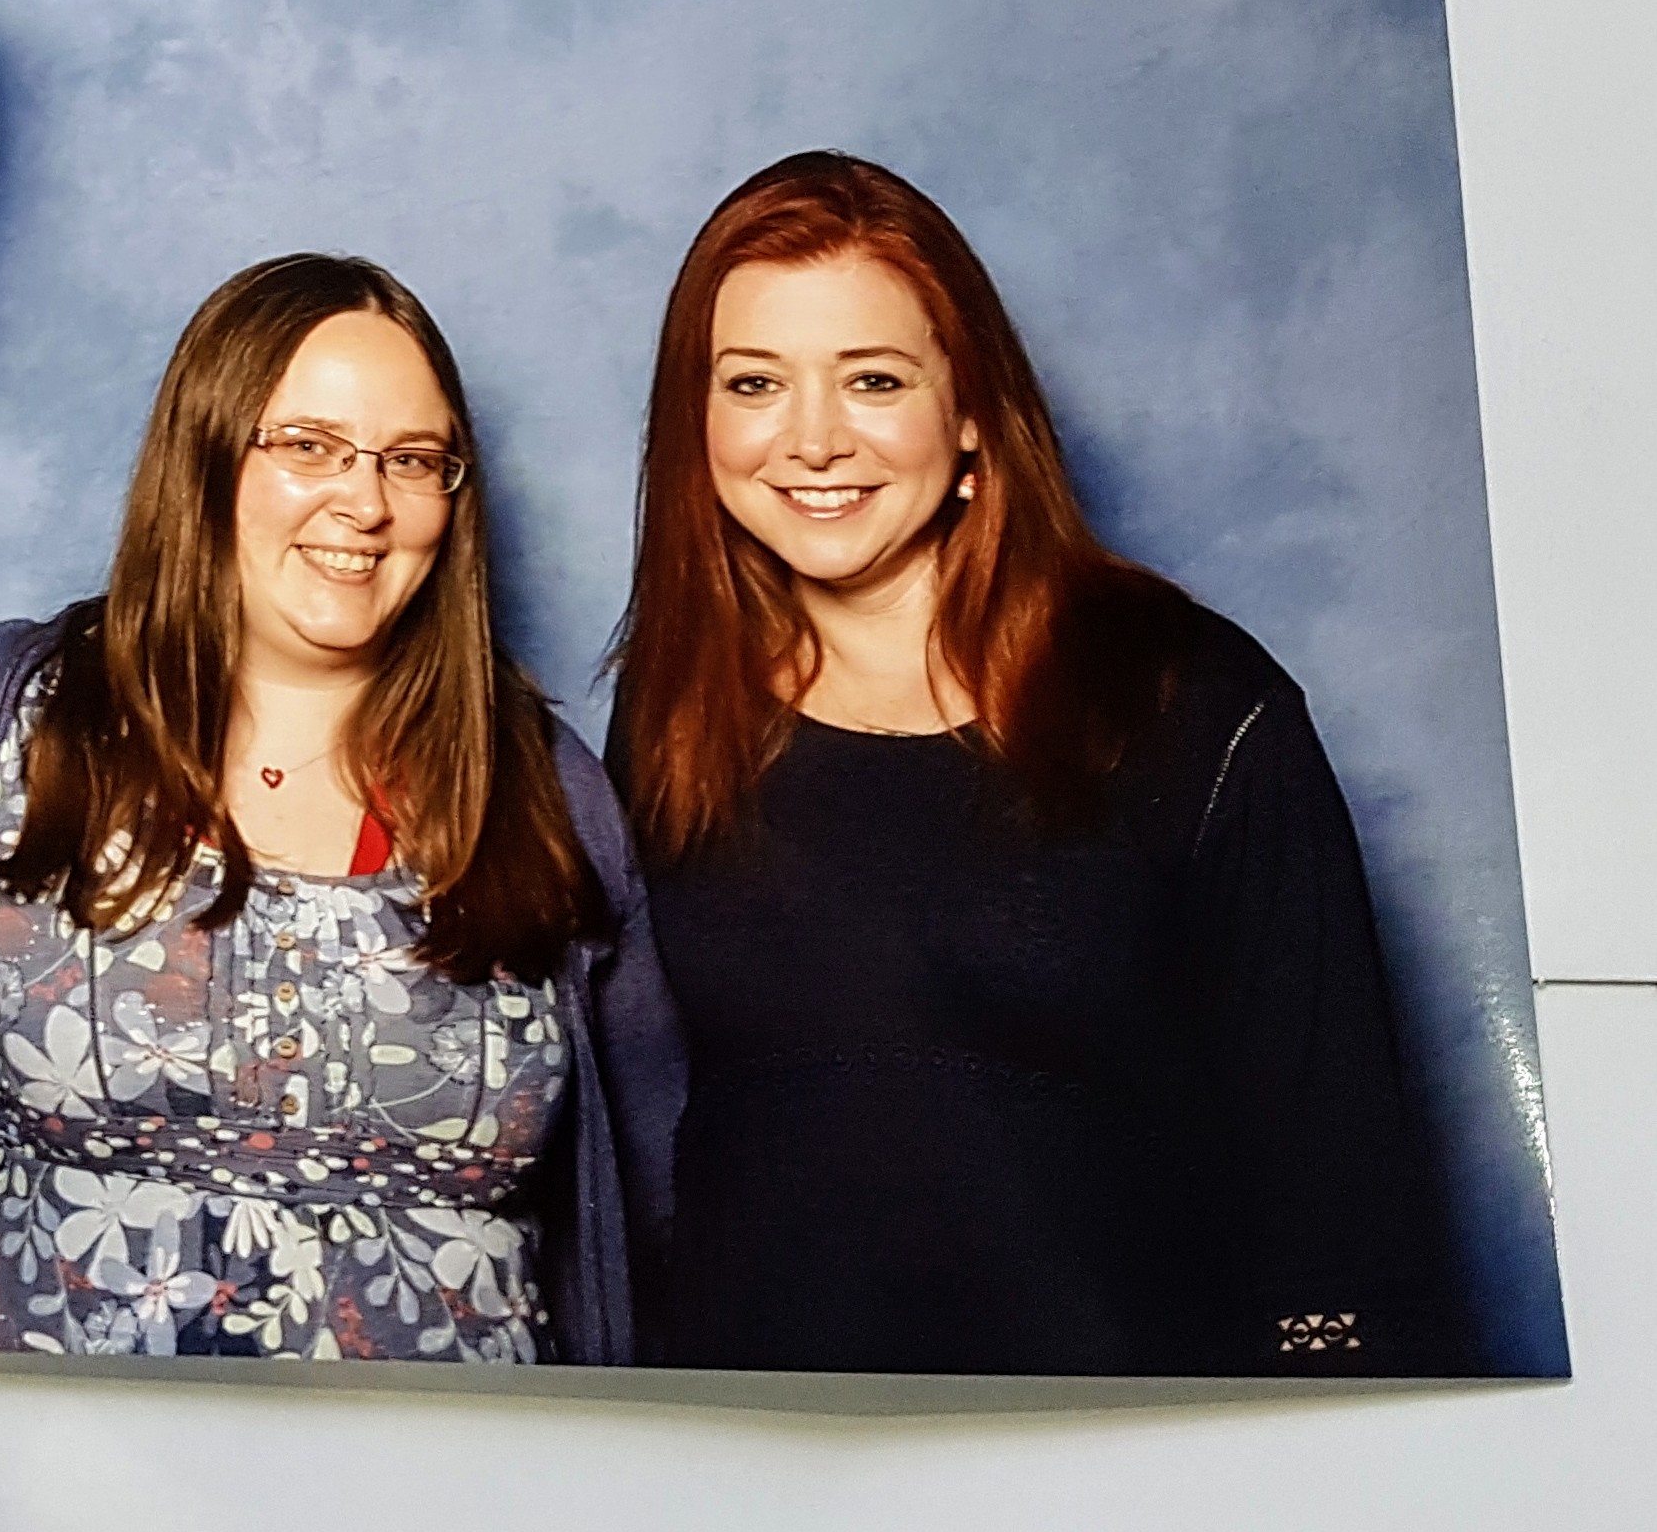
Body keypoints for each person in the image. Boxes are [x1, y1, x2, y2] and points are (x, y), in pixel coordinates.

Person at [611, 150, 1449, 1375]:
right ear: (697, 421)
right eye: (753, 382)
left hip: (1117, 1437)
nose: (812, 439)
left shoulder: (1186, 700)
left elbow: (1336, 1164)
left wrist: (1322, 1437)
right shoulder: (677, 714)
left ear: (970, 411)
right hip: (764, 1435)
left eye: (873, 379)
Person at [0, 255, 681, 1361]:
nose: (366, 503)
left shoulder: (542, 786)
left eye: (412, 460)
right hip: (63, 1456)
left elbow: (657, 1161)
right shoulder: (10, 723)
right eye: (306, 445)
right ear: (204, 453)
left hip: (455, 1455)